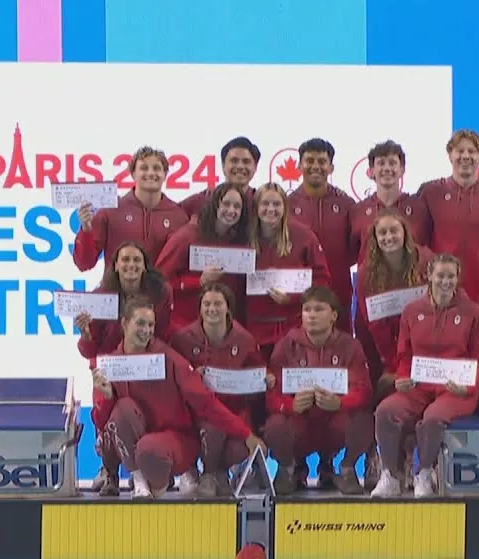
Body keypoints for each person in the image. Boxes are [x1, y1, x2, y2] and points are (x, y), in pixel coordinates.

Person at [91, 297, 265, 499]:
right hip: (137, 445)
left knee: (149, 449)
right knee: (122, 408)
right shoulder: (111, 365)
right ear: (124, 323)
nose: (146, 330)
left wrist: (246, 434)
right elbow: (102, 422)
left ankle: (162, 483)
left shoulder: (170, 359)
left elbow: (206, 403)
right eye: (140, 323)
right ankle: (139, 480)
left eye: (150, 325)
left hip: (173, 440)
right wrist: (107, 398)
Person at [372, 254, 479, 498]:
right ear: (428, 276)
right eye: (440, 276)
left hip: (457, 389)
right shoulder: (412, 311)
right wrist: (402, 378)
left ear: (458, 278)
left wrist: (468, 386)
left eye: (451, 276)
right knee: (385, 411)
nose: (445, 281)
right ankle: (391, 475)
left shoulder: (473, 312)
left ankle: (424, 472)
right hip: (418, 387)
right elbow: (404, 355)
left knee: (433, 418)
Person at [76, 241, 174, 495]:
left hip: (147, 365)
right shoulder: (100, 297)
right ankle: (109, 470)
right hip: (111, 367)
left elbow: (165, 332)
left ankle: (147, 469)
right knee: (107, 415)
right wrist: (86, 334)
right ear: (115, 265)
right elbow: (89, 349)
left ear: (145, 266)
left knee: (146, 416)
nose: (131, 265)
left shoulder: (160, 293)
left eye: (136, 260)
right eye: (125, 260)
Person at [264, 286, 373, 496]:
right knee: (275, 425)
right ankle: (288, 469)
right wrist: (290, 405)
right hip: (301, 420)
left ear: (334, 315)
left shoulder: (350, 346)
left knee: (363, 420)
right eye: (307, 309)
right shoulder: (286, 345)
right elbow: (271, 394)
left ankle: (346, 468)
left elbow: (363, 390)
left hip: (334, 420)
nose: (312, 315)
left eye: (319, 309)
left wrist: (340, 403)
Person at [169, 283, 271, 497]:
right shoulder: (182, 339)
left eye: (217, 304)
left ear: (228, 308)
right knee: (212, 426)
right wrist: (191, 377)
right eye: (206, 304)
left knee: (240, 448)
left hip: (233, 412)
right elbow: (172, 382)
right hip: (195, 415)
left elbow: (258, 373)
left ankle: (219, 472)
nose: (212, 309)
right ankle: (202, 472)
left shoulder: (244, 339)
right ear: (199, 308)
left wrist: (267, 378)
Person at [356, 210, 433, 488]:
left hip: (426, 353)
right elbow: (371, 324)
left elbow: (437, 317)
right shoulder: (365, 274)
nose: (389, 237)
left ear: (406, 234)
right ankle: (386, 462)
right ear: (375, 239)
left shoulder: (426, 261)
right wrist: (393, 368)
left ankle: (417, 459)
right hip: (386, 353)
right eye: (383, 233)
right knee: (384, 392)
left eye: (394, 231)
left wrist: (413, 367)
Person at [417, 130, 479, 300]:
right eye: (460, 151)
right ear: (450, 155)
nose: (465, 156)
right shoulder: (431, 193)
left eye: (471, 151)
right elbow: (419, 243)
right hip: (444, 292)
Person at [246, 183, 332, 357]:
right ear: (256, 208)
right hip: (254, 329)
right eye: (265, 204)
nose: (271, 209)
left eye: (277, 204)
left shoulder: (304, 236)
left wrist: (294, 297)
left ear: (285, 207)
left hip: (294, 328)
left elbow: (322, 280)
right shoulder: (244, 238)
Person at [72, 146, 189, 272]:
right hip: (116, 285)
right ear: (133, 174)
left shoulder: (179, 217)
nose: (151, 173)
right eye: (144, 168)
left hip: (159, 285)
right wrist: (86, 230)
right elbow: (84, 263)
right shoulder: (111, 211)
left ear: (165, 174)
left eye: (156, 168)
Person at [155, 182, 251, 331]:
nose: (231, 210)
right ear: (214, 205)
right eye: (226, 204)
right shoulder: (187, 237)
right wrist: (198, 281)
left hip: (223, 328)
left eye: (237, 206)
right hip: (185, 325)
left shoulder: (240, 242)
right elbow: (158, 281)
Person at [287, 138, 356, 332]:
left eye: (322, 161)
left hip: (339, 295)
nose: (315, 166)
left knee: (342, 346)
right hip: (298, 298)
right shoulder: (286, 205)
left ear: (331, 168)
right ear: (299, 166)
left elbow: (355, 250)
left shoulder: (346, 204)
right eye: (309, 161)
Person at [348, 140, 432, 254]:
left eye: (392, 163)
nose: (387, 168)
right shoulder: (358, 211)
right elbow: (351, 254)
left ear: (402, 170)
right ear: (371, 171)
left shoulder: (419, 208)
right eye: (381, 163)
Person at [180, 137, 261, 217]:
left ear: (255, 167)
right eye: (234, 161)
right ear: (223, 165)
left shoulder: (261, 203)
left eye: (246, 162)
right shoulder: (203, 200)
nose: (240, 166)